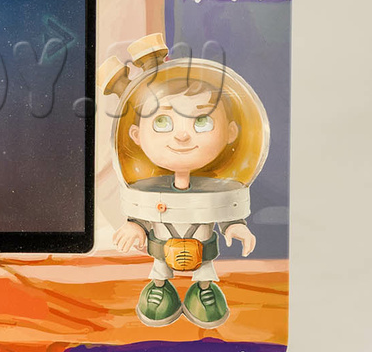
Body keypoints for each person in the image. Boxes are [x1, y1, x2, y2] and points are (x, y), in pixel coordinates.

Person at [101, 34, 270, 329]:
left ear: (231, 133)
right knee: (159, 271)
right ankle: (159, 289)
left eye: (201, 122)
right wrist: (134, 226)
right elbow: (143, 215)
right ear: (136, 136)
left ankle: (203, 292)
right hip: (161, 250)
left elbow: (225, 212)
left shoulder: (217, 190)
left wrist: (235, 226)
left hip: (202, 252)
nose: (181, 136)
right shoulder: (147, 190)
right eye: (162, 122)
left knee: (205, 275)